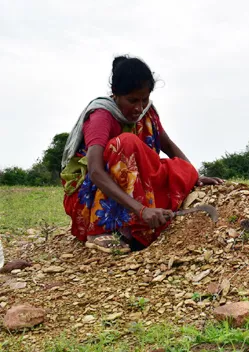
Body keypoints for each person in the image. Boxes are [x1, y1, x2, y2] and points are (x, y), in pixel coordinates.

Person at [60, 56, 222, 252]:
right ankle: (105, 231)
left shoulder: (147, 112)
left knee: (178, 168)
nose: (138, 107)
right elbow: (95, 171)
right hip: (93, 194)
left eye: (144, 99)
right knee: (126, 143)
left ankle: (143, 224)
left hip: (132, 187)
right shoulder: (101, 116)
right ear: (116, 94)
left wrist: (194, 175)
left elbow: (167, 145)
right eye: (132, 100)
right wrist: (141, 210)